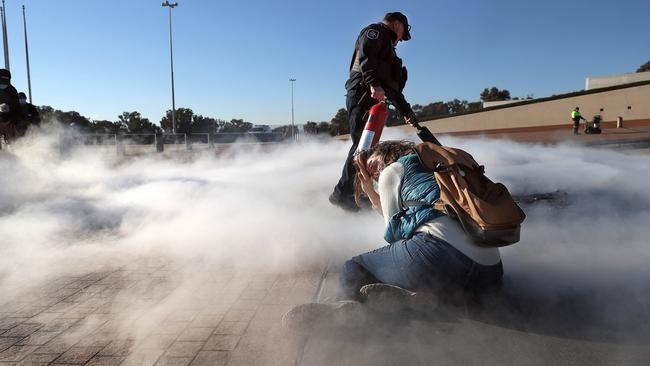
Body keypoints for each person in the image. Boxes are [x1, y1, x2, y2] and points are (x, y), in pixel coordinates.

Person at [283, 141, 504, 333]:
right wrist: (370, 188)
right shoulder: (435, 170)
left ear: (388, 153)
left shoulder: (395, 170)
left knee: (355, 266)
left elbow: (394, 233)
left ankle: (341, 308)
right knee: (407, 270)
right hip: (489, 273)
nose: (374, 174)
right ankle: (413, 298)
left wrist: (371, 186)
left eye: (373, 166)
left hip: (436, 255)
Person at [329, 12, 418, 212]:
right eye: (401, 35)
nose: (399, 42)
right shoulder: (375, 33)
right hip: (362, 95)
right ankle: (343, 195)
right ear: (396, 24)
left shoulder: (388, 52)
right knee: (362, 146)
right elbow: (366, 56)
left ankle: (354, 192)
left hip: (372, 98)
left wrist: (407, 113)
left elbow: (392, 88)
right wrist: (373, 84)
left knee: (366, 148)